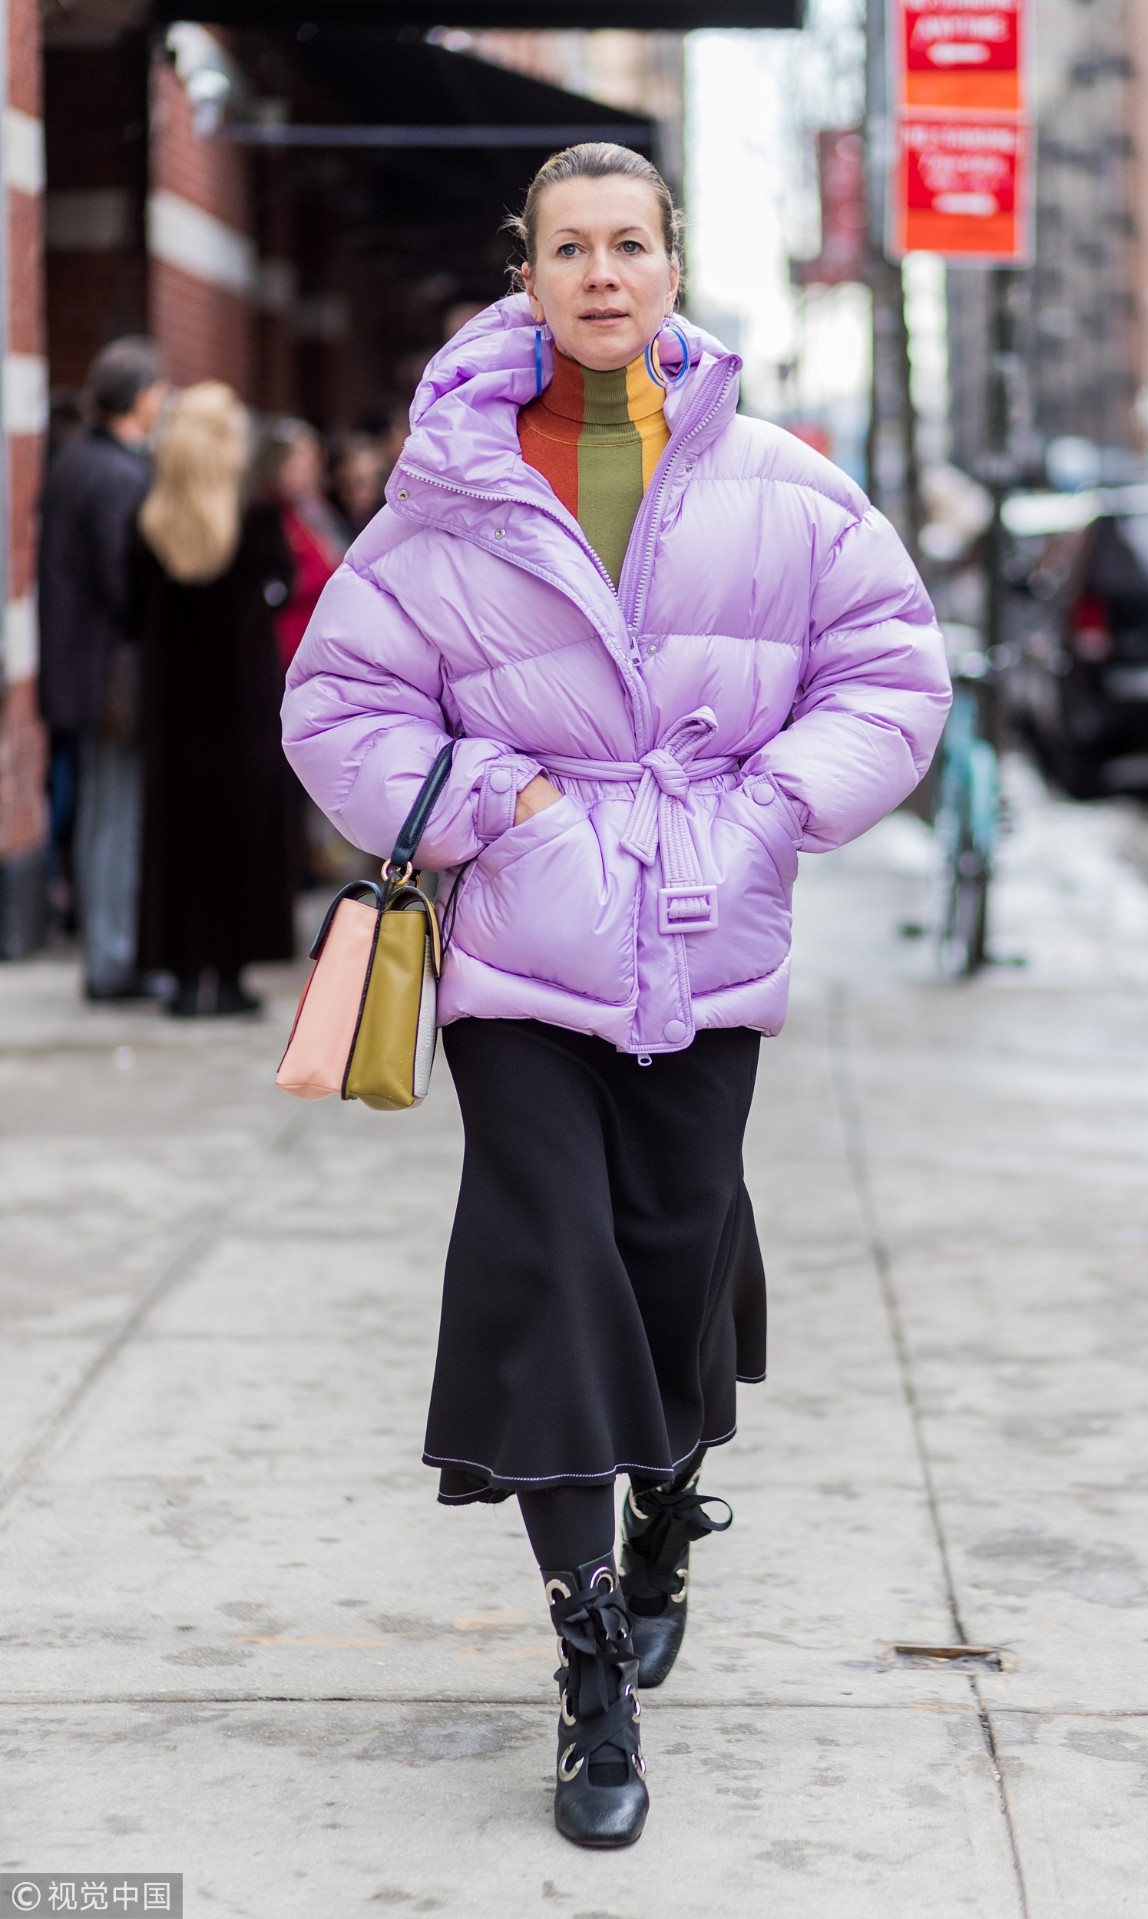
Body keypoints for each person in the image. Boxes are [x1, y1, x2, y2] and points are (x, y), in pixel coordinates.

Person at [282, 144, 950, 1848]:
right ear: (527, 268)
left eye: (629, 244)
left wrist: (778, 807)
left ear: (672, 263)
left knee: (674, 1243)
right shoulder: (443, 496)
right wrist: (498, 805)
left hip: (707, 935)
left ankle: (671, 1502)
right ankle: (590, 1661)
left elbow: (891, 667)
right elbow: (340, 703)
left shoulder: (786, 483)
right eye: (567, 247)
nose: (600, 273)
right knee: (551, 1259)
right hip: (521, 949)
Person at [133, 382, 297, 1017]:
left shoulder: (150, 523)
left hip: (172, 706)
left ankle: (180, 974)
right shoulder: (256, 517)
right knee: (240, 831)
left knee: (174, 832)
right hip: (242, 705)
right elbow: (282, 584)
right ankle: (229, 973)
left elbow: (130, 611)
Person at [37, 336, 167, 998]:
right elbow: (125, 585)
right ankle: (113, 958)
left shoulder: (72, 463)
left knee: (97, 816)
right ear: (141, 395)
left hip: (78, 669)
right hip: (109, 674)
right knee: (116, 818)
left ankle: (105, 950)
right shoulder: (118, 474)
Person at [256, 418, 347, 673]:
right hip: (284, 647)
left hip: (317, 642)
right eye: (298, 458)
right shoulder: (266, 516)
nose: (308, 467)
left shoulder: (315, 509)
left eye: (311, 459)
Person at [327, 431, 386, 543]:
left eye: (364, 483)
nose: (358, 494)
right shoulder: (325, 516)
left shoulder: (390, 515)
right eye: (349, 483)